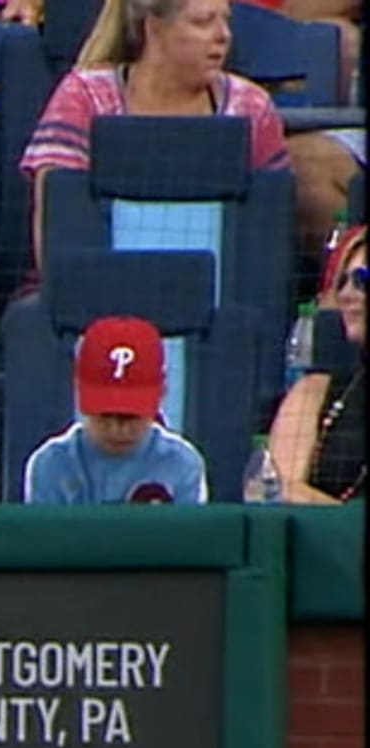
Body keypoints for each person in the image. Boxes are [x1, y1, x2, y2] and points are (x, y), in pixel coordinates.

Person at [20, 0, 290, 283]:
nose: (223, 35)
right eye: (203, 22)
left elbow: (266, 231)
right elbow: (59, 225)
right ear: (154, 27)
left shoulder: (251, 107)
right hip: (98, 293)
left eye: (226, 20)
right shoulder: (85, 96)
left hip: (218, 296)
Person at [20, 314, 212, 503]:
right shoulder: (51, 464)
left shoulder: (182, 465)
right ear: (78, 392)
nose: (116, 428)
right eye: (104, 415)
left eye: (130, 416)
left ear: (162, 394)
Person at [268, 222, 366, 504]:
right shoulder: (313, 393)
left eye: (362, 280)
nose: (347, 294)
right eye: (343, 282)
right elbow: (276, 489)